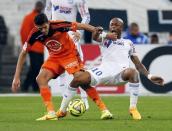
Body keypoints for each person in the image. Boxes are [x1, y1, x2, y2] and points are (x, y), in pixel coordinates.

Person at [57, 18, 164, 120]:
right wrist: (97, 31)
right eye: (111, 24)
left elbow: (138, 64)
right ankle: (62, 111)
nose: (113, 26)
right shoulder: (105, 38)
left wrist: (149, 76)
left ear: (121, 27)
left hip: (121, 73)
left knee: (133, 72)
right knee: (78, 79)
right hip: (103, 71)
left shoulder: (128, 43)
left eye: (116, 25)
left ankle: (133, 108)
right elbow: (95, 37)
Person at [12, 13, 113, 121]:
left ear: (48, 22)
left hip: (70, 55)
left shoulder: (58, 25)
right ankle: (51, 113)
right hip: (54, 58)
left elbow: (80, 25)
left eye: (45, 27)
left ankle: (104, 110)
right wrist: (16, 76)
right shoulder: (34, 34)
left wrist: (95, 29)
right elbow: (23, 53)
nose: (43, 31)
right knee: (40, 79)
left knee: (81, 79)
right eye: (40, 28)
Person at [44, 0, 90, 109]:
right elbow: (47, 9)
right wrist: (46, 29)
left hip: (70, 34)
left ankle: (84, 99)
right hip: (55, 35)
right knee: (60, 69)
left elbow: (86, 16)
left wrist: (80, 31)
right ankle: (64, 101)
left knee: (80, 69)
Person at [20, 1, 44, 92]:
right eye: (39, 6)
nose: (40, 8)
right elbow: (24, 32)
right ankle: (27, 86)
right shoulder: (29, 17)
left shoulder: (39, 17)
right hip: (33, 48)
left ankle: (33, 86)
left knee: (36, 68)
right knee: (35, 67)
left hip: (41, 48)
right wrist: (26, 46)